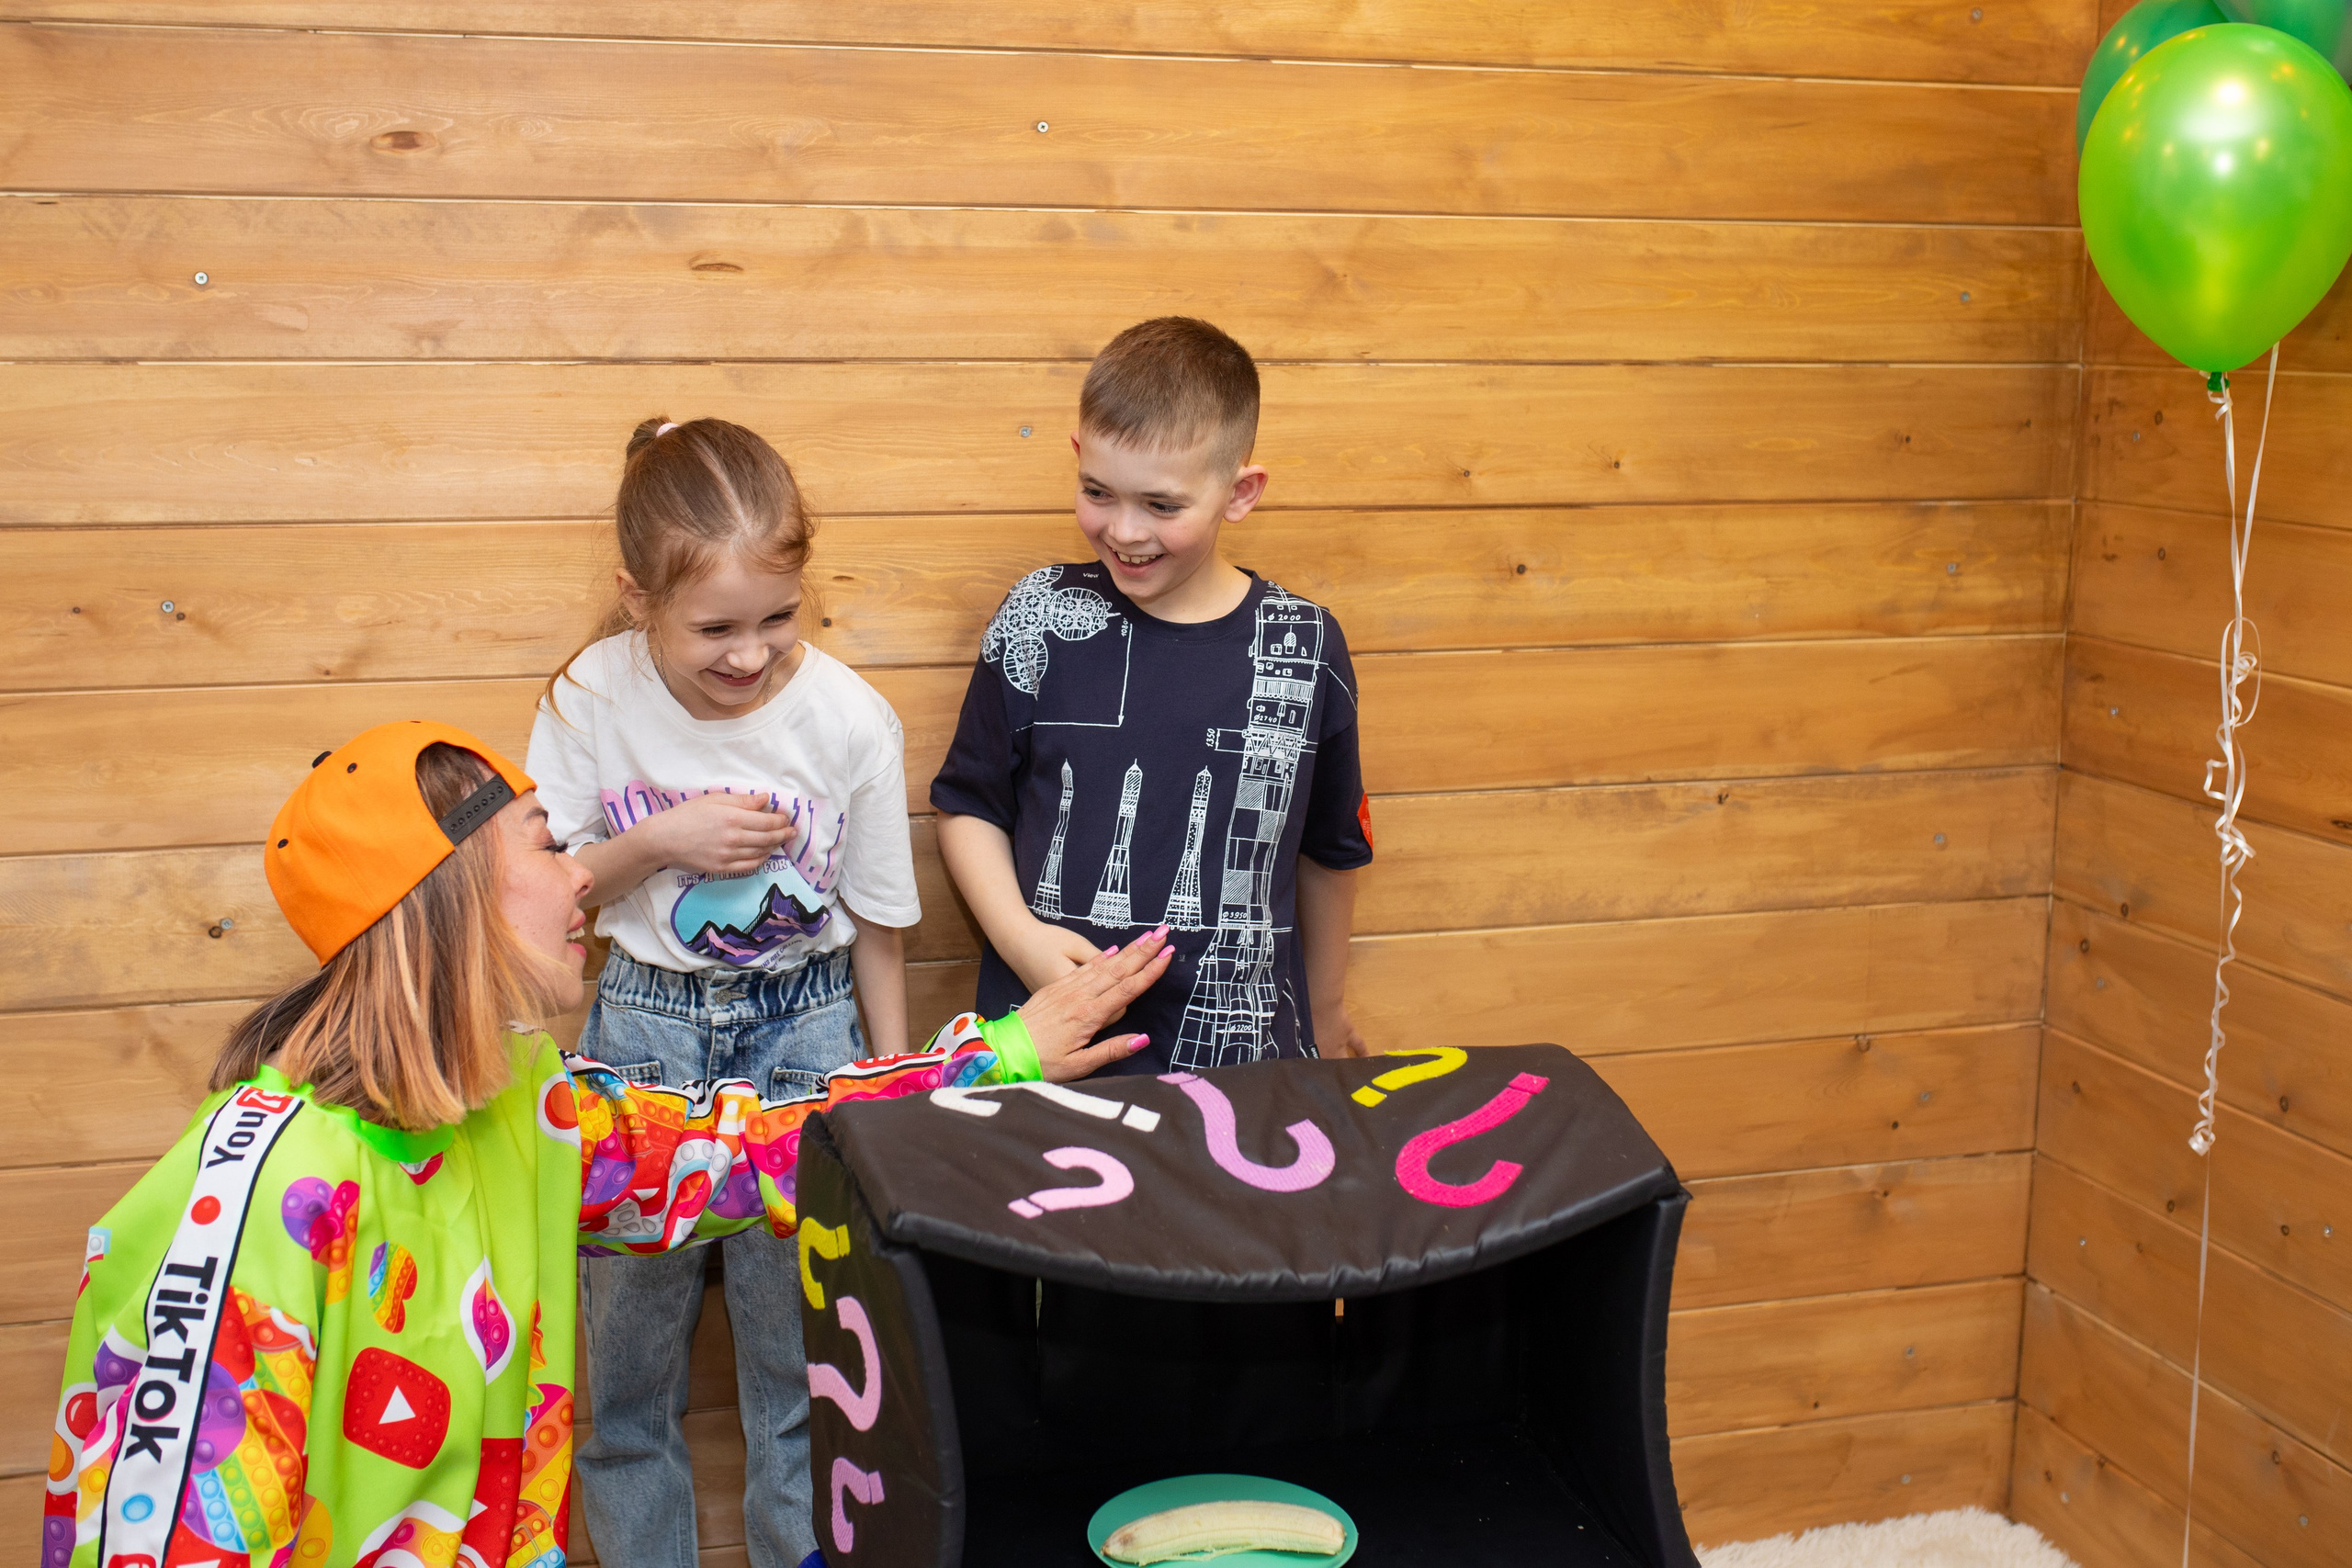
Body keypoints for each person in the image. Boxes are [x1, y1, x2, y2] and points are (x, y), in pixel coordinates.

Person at [40, 720, 1169, 1568]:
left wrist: (1000, 1057)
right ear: (445, 896)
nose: (582, 872)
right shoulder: (256, 1192)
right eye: (544, 845)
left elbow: (745, 1154)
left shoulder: (525, 1105)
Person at [526, 418, 921, 1566]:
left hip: (810, 1037)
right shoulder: (591, 697)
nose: (749, 656)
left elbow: (881, 930)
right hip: (641, 1037)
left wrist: (890, 1089)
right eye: (714, 629)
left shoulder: (848, 717)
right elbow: (550, 896)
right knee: (627, 1376)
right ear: (636, 596)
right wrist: (665, 841)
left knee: (799, 1372)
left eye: (776, 618)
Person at [932, 317, 1375, 1077]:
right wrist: (1020, 938)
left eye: (1162, 506)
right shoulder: (1040, 613)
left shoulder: (1306, 643)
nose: (1125, 530)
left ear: (1240, 492)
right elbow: (968, 804)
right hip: (1049, 1052)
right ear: (1078, 455)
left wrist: (1327, 1015)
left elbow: (1330, 853)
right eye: (1097, 492)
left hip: (1244, 1068)